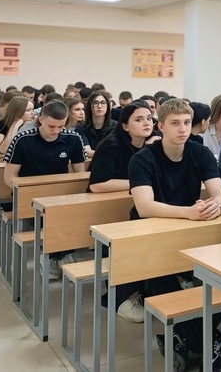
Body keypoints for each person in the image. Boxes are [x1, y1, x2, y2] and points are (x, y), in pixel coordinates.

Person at [128, 98, 221, 371]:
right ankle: (206, 341)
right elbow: (145, 207)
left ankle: (186, 339)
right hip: (149, 233)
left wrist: (216, 206)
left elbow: (220, 194)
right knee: (162, 281)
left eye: (186, 122)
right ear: (161, 126)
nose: (183, 129)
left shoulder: (200, 153)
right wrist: (188, 212)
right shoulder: (143, 159)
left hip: (188, 229)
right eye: (175, 123)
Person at [3, 100, 87, 278]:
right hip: (29, 196)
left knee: (73, 215)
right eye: (51, 126)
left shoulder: (73, 138)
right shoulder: (23, 139)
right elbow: (9, 177)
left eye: (60, 126)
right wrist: (28, 191)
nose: (56, 131)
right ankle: (54, 256)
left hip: (61, 195)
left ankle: (58, 255)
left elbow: (80, 175)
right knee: (51, 219)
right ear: (40, 119)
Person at [87, 101, 154, 322]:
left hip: (133, 204)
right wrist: (139, 183)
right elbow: (97, 184)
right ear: (125, 125)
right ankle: (122, 297)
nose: (146, 123)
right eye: (139, 119)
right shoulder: (112, 147)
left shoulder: (150, 146)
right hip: (105, 209)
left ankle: (148, 288)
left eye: (149, 118)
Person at [76, 91, 116, 158]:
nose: (99, 106)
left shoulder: (115, 127)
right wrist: (107, 154)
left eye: (103, 103)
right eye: (95, 103)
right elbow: (87, 152)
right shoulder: (81, 128)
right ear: (90, 106)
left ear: (108, 106)